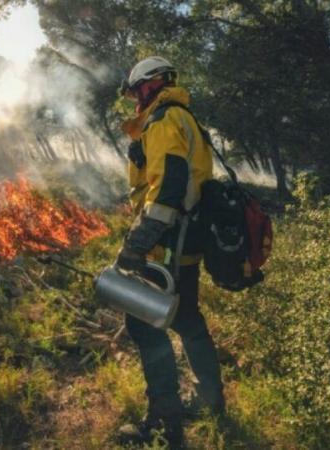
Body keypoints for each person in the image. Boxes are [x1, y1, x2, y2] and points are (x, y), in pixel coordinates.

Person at [115, 56, 225, 449]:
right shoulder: (183, 118)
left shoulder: (163, 121)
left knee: (144, 325)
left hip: (166, 244)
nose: (133, 102)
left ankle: (164, 422)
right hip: (187, 244)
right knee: (187, 319)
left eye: (135, 93)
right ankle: (212, 404)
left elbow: (168, 191)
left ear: (149, 85)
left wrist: (138, 243)